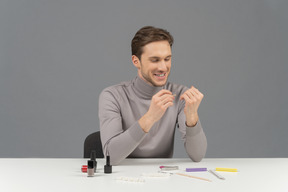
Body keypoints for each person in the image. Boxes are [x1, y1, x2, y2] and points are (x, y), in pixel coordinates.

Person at [99, 26, 207, 165]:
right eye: (155, 60)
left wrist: (192, 118)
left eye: (167, 59)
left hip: (162, 176)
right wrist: (150, 117)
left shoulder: (180, 95)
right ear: (136, 61)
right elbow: (110, 157)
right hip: (122, 177)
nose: (163, 67)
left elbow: (197, 155)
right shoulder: (112, 96)